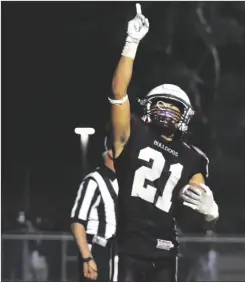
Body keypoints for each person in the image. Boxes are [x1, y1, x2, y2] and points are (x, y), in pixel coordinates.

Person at [108, 4, 219, 282]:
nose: (167, 110)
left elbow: (199, 206)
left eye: (174, 107)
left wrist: (212, 214)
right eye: (161, 103)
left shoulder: (193, 157)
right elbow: (118, 91)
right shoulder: (134, 134)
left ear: (185, 116)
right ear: (148, 107)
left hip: (166, 251)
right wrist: (131, 42)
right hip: (128, 247)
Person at [70, 137, 118, 282]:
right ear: (111, 152)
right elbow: (77, 221)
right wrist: (87, 257)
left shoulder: (123, 181)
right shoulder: (93, 181)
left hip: (116, 253)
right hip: (97, 251)